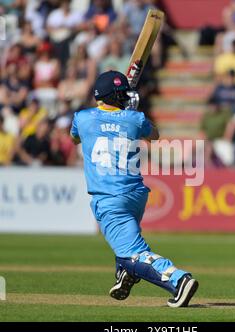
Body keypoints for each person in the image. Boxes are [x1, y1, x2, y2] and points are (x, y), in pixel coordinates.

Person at [70, 70, 198, 307]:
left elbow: (75, 138)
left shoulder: (82, 118)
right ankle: (126, 273)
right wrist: (129, 114)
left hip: (108, 198)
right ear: (117, 96)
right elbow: (155, 136)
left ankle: (178, 279)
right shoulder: (135, 119)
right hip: (135, 194)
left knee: (133, 251)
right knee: (126, 241)